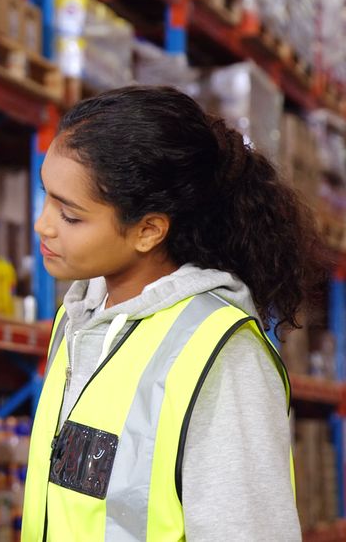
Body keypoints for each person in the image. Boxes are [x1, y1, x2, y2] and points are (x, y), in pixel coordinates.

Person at [22, 86, 325, 541]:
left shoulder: (222, 355)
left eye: (70, 215)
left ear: (148, 230)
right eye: (47, 198)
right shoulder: (78, 321)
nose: (42, 224)